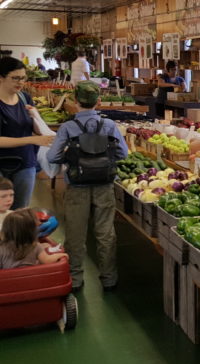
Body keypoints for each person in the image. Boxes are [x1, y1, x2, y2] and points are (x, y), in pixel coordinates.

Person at [46, 81, 128, 291]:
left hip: (77, 187)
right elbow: (123, 154)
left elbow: (52, 156)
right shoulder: (109, 126)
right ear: (98, 101)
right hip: (104, 185)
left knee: (75, 233)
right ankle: (109, 278)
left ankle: (75, 279)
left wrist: (70, 156)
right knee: (105, 232)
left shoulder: (68, 127)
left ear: (75, 101)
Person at [0, 57, 55, 209]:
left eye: (23, 78)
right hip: (2, 163)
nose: (20, 82)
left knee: (21, 212)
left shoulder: (25, 98)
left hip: (25, 163)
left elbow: (35, 129)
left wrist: (37, 118)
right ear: (1, 78)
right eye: (15, 78)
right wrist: (31, 140)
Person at [0, 208, 68, 269]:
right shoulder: (35, 246)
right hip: (32, 278)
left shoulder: (2, 249)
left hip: (9, 280)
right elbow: (47, 260)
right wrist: (62, 255)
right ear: (32, 232)